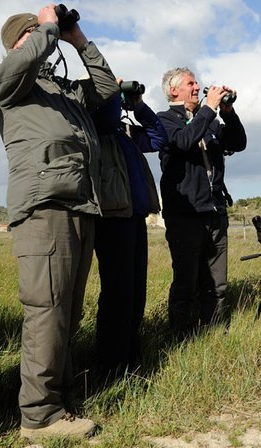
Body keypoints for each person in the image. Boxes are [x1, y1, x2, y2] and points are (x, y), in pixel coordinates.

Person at [0, 4, 119, 440]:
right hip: (42, 208)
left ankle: (57, 402)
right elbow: (18, 65)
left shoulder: (64, 94)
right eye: (38, 34)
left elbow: (105, 88)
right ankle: (38, 416)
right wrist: (44, 28)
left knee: (67, 312)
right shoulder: (8, 83)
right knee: (46, 311)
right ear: (20, 43)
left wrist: (78, 39)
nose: (49, 36)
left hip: (80, 206)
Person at [157, 67, 246, 339]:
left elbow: (238, 143)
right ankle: (181, 339)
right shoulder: (163, 120)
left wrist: (228, 113)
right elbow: (183, 142)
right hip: (185, 214)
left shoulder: (206, 120)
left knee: (217, 284)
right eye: (190, 83)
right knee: (186, 284)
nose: (197, 87)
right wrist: (209, 109)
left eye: (197, 83)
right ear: (174, 90)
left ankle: (216, 335)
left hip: (215, 211)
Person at [92, 80, 167, 378]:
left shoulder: (124, 134)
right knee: (118, 292)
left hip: (134, 215)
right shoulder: (97, 127)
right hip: (111, 217)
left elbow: (159, 138)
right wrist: (112, 88)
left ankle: (132, 358)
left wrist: (139, 107)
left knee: (135, 291)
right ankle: (111, 364)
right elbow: (106, 115)